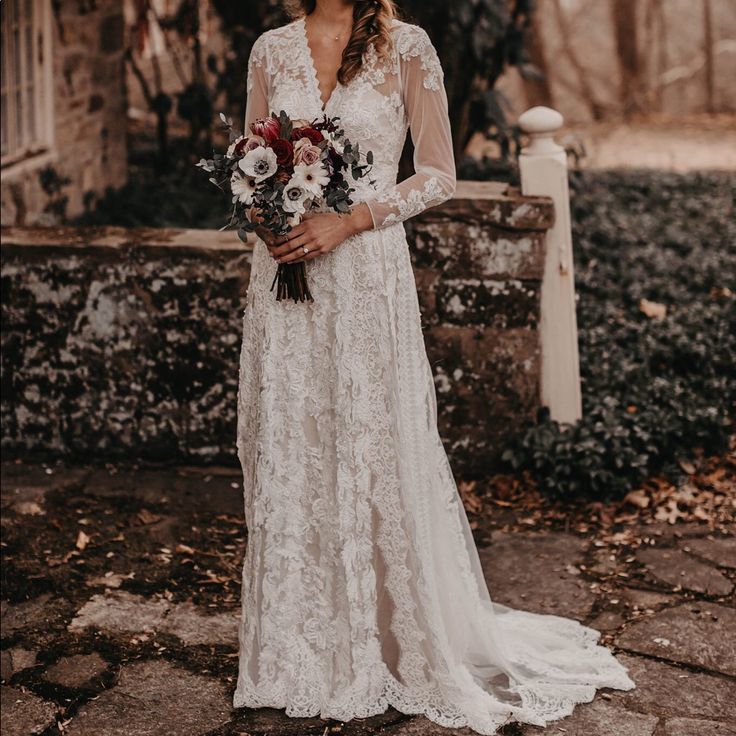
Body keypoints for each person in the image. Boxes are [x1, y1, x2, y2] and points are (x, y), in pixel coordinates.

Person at [233, 1, 634, 733]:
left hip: (366, 276)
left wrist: (348, 220)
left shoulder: (407, 48)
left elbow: (439, 173)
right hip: (286, 278)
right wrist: (271, 218)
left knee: (373, 440)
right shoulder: (269, 50)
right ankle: (296, 646)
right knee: (297, 441)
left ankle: (390, 635)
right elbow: (244, 155)